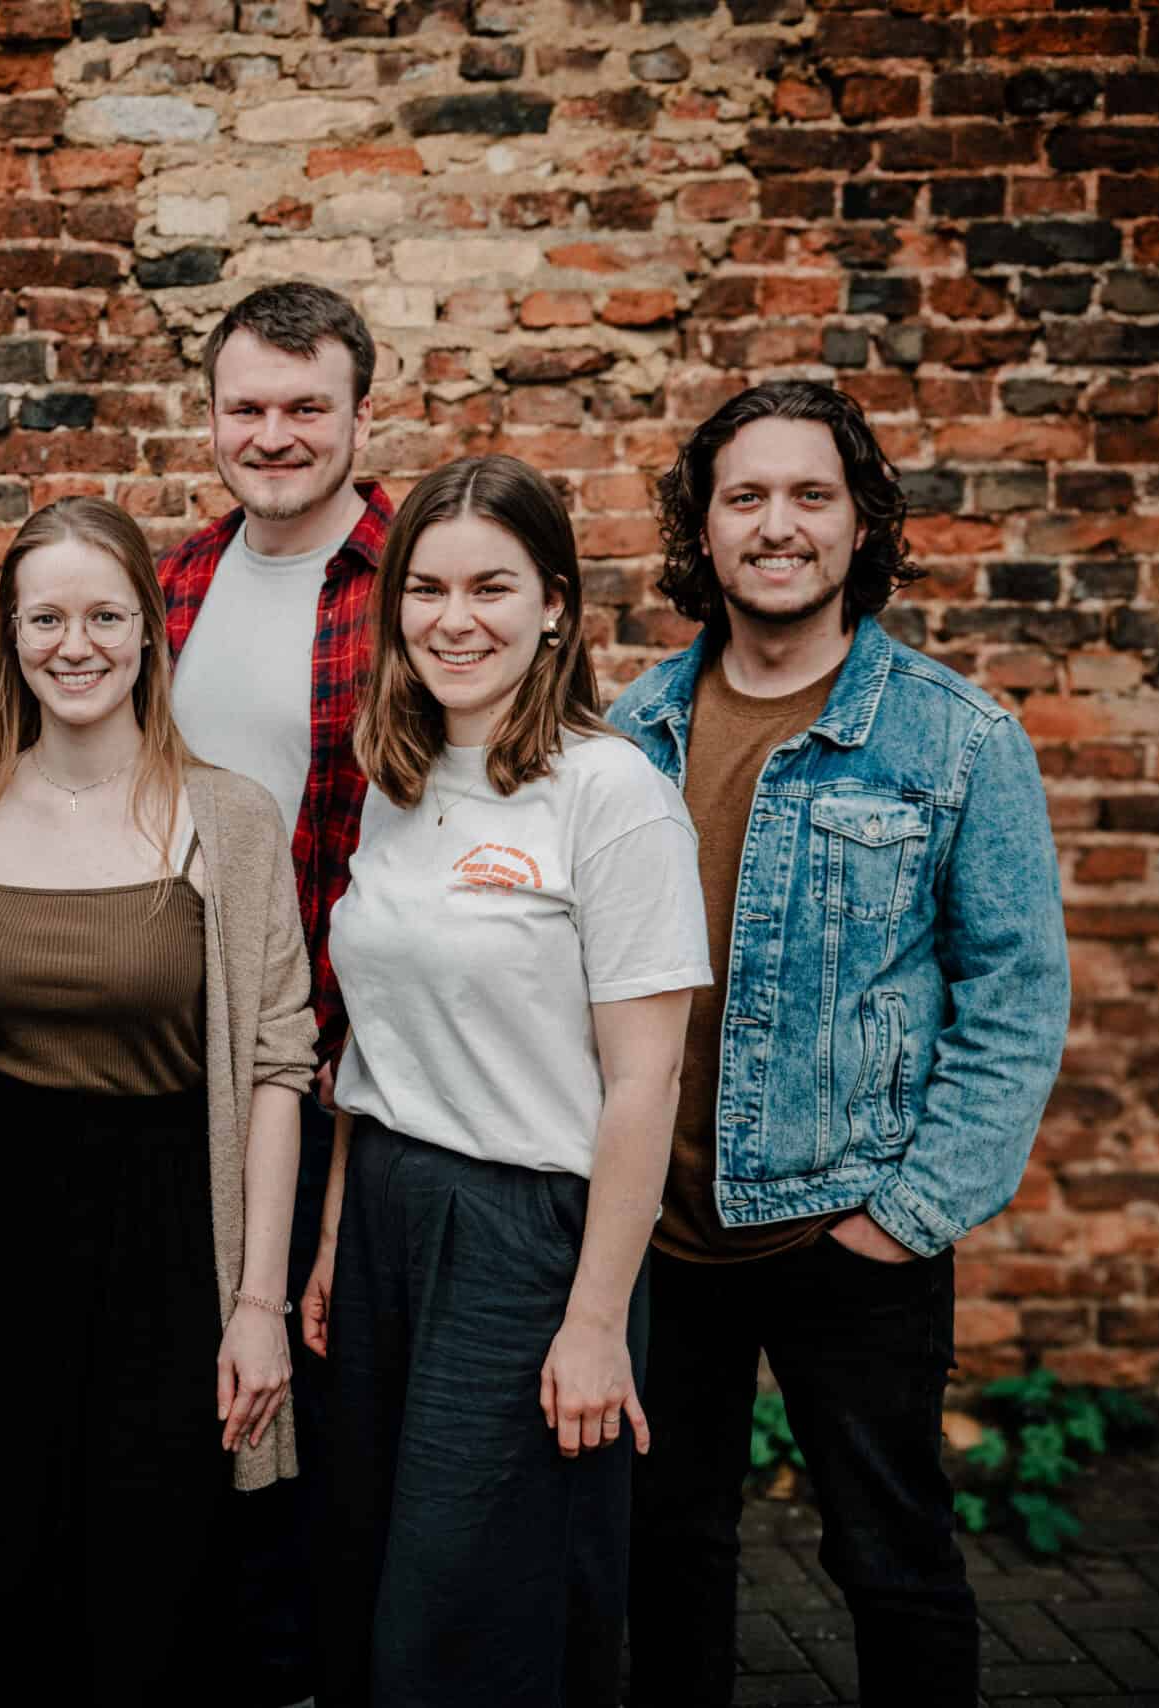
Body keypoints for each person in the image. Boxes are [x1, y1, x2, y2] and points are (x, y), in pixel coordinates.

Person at [610, 380, 1070, 1707]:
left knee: (892, 1562)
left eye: (811, 495)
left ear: (862, 522)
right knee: (666, 1553)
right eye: (744, 496)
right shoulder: (634, 730)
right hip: (659, 1237)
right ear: (702, 527)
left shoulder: (956, 738)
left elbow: (1016, 999)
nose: (777, 526)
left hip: (844, 1230)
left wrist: (905, 1216)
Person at [0, 496, 316, 1707]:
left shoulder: (228, 818)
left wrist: (258, 1304)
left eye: (105, 616)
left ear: (148, 633)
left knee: (150, 1571)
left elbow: (277, 1066)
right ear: (9, 636)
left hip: (167, 1234)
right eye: (45, 618)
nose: (75, 645)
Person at [304, 455, 708, 1707]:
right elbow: (369, 1044)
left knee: (473, 1601)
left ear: (555, 606)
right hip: (384, 1209)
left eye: (491, 587)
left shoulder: (612, 794)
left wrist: (595, 1322)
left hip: (525, 1232)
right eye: (425, 589)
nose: (453, 619)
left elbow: (646, 1081)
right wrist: (334, 1238)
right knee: (363, 1568)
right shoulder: (397, 776)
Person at [155, 281, 392, 1708]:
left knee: (315, 1416)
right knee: (199, 1400)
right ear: (210, 418)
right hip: (183, 1069)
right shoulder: (177, 581)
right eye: (246, 407)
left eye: (307, 406)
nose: (275, 433)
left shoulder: (417, 579)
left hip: (350, 1079)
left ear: (363, 412)